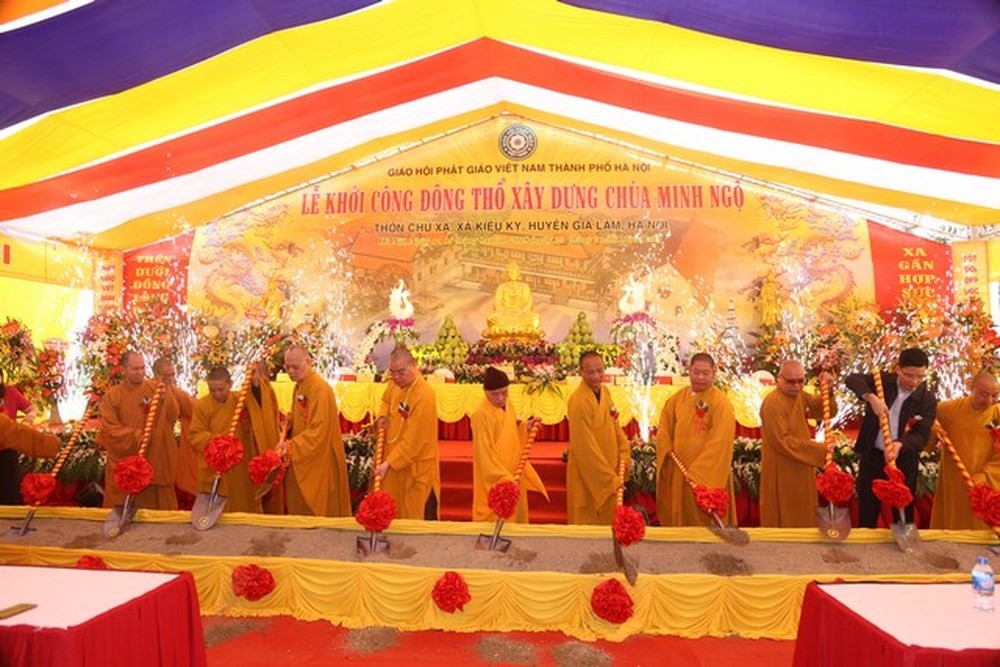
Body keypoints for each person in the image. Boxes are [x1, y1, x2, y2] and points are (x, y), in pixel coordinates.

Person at [845, 347, 937, 528]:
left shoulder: (926, 399)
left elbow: (921, 434)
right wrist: (871, 398)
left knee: (902, 507)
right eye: (909, 375)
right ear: (898, 369)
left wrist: (901, 444)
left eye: (920, 376)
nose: (914, 381)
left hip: (903, 458)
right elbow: (852, 379)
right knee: (868, 506)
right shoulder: (881, 382)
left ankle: (902, 546)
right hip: (873, 455)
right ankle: (865, 544)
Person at [656, 353, 737, 527]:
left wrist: (698, 472)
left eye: (705, 373)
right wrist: (666, 445)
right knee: (683, 517)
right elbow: (664, 424)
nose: (700, 377)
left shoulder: (720, 403)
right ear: (689, 372)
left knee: (705, 516)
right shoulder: (677, 399)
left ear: (714, 373)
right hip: (681, 467)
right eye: (696, 372)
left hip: (707, 471)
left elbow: (720, 441)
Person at [189, 365, 281, 513]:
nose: (217, 394)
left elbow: (260, 404)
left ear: (230, 384)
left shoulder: (241, 400)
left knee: (245, 503)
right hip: (217, 465)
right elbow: (195, 435)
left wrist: (255, 384)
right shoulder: (202, 405)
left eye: (221, 389)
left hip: (241, 465)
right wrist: (217, 442)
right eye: (212, 390)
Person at [95, 350, 181, 509]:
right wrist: (138, 436)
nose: (140, 372)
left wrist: (165, 399)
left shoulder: (156, 388)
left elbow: (172, 417)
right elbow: (112, 430)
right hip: (127, 457)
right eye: (135, 369)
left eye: (142, 368)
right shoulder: (112, 397)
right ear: (123, 369)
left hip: (156, 454)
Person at [758, 360, 833, 527]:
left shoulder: (799, 395)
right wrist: (820, 449)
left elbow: (820, 409)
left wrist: (828, 390)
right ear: (779, 379)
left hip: (801, 462)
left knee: (803, 508)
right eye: (791, 381)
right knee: (783, 513)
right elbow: (781, 440)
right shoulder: (773, 402)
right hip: (782, 466)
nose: (797, 386)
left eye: (801, 381)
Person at [470, 366, 547, 522]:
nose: (500, 398)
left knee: (516, 516)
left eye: (504, 392)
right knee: (495, 516)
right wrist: (505, 478)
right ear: (485, 392)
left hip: (514, 470)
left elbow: (511, 428)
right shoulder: (480, 414)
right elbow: (483, 454)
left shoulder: (508, 403)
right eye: (494, 394)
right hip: (496, 477)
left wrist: (526, 426)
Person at [282, 345, 351, 517]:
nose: (291, 371)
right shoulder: (300, 385)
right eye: (287, 367)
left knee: (320, 509)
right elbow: (300, 414)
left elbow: (319, 430)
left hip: (320, 456)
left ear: (309, 362)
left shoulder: (319, 388)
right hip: (303, 454)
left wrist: (292, 446)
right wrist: (289, 421)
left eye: (295, 367)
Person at [374, 345, 440, 520]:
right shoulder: (395, 384)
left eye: (401, 372)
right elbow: (386, 401)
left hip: (413, 463)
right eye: (392, 372)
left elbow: (414, 441)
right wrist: (382, 415)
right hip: (393, 454)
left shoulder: (424, 395)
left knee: (411, 511)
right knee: (391, 507)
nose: (396, 377)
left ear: (414, 365)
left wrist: (389, 463)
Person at [566, 350, 630, 525]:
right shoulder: (578, 401)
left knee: (608, 519)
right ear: (581, 372)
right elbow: (584, 446)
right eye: (590, 372)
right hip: (589, 470)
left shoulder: (606, 392)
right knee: (588, 516)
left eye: (600, 370)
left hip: (608, 463)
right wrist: (608, 479)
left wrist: (624, 450)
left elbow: (614, 423)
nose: (596, 376)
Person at [930, 371, 1000, 530]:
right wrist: (934, 429)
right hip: (955, 478)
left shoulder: (998, 413)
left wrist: (985, 474)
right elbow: (926, 418)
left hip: (986, 480)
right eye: (984, 394)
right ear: (970, 388)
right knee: (954, 520)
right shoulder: (949, 409)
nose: (989, 401)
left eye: (995, 395)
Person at [152, 357, 197, 510]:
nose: (170, 379)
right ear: (156, 374)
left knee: (165, 484)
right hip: (145, 444)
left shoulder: (175, 392)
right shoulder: (146, 389)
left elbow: (196, 410)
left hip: (166, 446)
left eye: (172, 374)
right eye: (166, 376)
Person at [0, 368, 39, 504]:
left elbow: (32, 408)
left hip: (8, 448)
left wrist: (29, 417)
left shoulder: (10, 392)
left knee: (10, 487)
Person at [483, 262, 544, 340]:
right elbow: (497, 303)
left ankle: (508, 330)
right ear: (507, 274)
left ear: (518, 274)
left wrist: (522, 311)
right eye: (511, 272)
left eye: (515, 272)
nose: (512, 274)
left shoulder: (524, 287)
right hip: (505, 314)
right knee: (491, 318)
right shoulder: (502, 287)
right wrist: (504, 311)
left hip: (521, 315)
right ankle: (517, 330)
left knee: (534, 318)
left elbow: (528, 303)